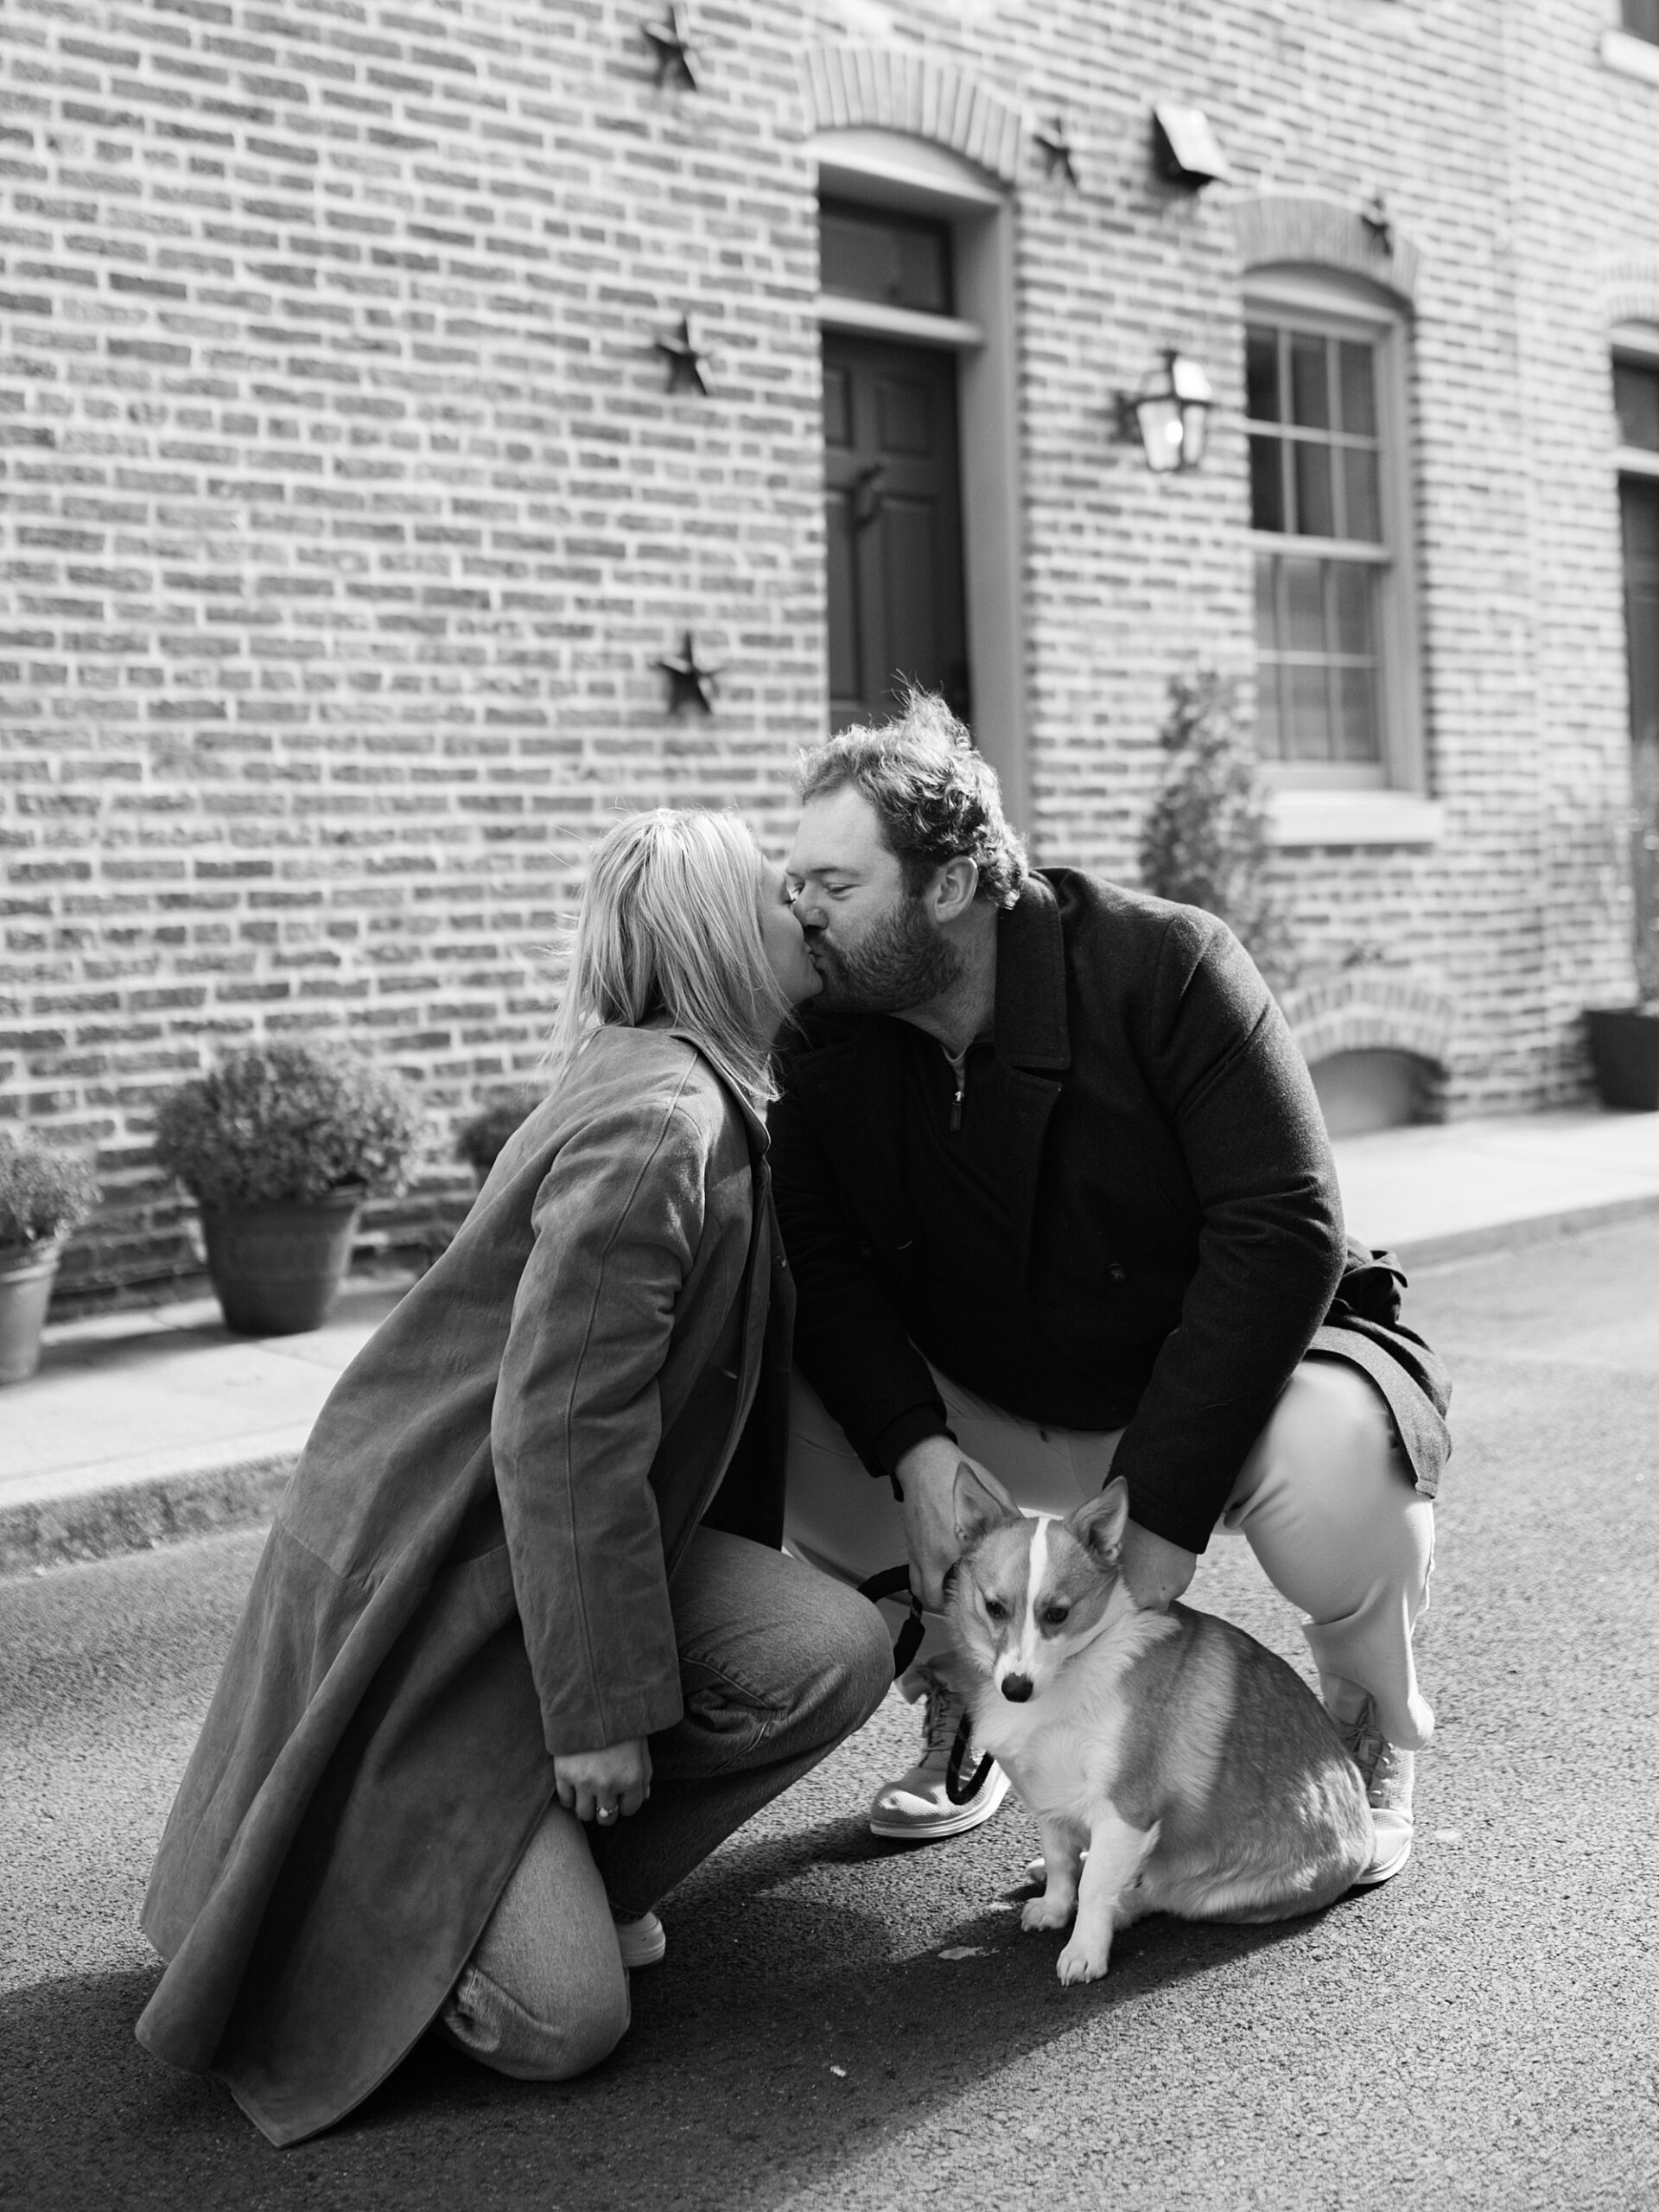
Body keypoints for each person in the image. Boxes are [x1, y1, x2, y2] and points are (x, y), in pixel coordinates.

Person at [135, 809, 892, 2148]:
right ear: (723, 938)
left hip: (523, 1541)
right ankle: (407, 1929)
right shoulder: (661, 1123)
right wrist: (598, 1712)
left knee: (826, 1648)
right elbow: (561, 1436)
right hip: (442, 1572)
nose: (809, 915)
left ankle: (529, 1867)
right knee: (563, 2027)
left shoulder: (681, 1081)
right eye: (784, 898)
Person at [772, 694, 1450, 1883]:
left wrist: (1167, 1516)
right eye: (797, 883)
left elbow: (1283, 1226)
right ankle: (968, 1687)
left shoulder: (1167, 964)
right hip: (991, 1395)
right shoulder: (825, 1035)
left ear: (948, 887)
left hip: (1213, 1393)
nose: (800, 912)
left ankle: (1367, 1724)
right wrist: (920, 1454)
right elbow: (822, 1265)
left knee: (1347, 1458)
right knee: (775, 1396)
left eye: (834, 884)